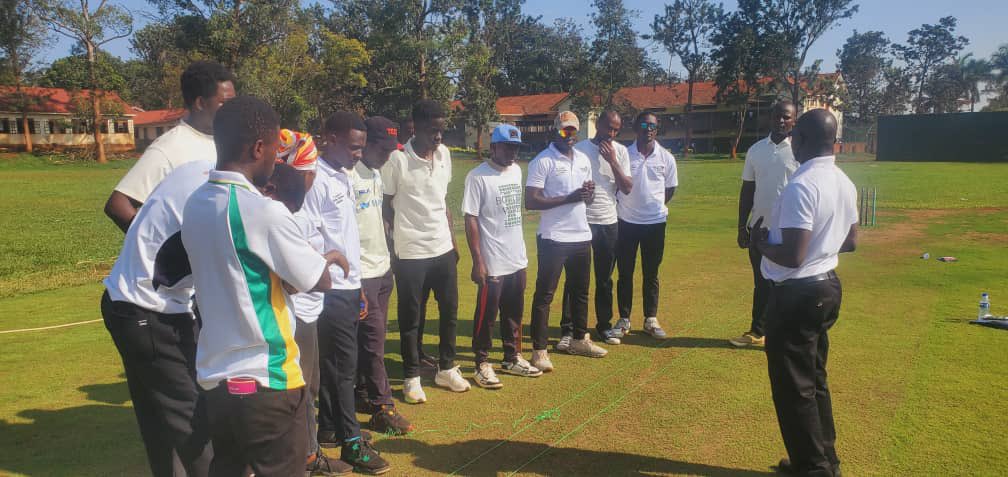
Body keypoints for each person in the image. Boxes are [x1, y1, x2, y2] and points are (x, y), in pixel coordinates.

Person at [181, 95, 332, 476]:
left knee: (229, 468)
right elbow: (317, 279)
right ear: (258, 148)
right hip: (269, 381)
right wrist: (330, 258)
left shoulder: (196, 202)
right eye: (273, 154)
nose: (275, 164)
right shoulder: (262, 210)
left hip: (217, 381)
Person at [751, 109, 857, 477]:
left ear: (806, 140)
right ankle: (824, 460)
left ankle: (813, 469)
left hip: (797, 293)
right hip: (826, 286)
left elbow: (793, 256)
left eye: (795, 135)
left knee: (793, 388)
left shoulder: (802, 184)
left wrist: (760, 244)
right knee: (814, 380)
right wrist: (823, 248)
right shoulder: (844, 181)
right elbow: (852, 241)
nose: (791, 140)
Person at [101, 159, 214, 477]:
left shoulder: (200, 169)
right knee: (193, 420)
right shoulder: (216, 196)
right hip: (148, 310)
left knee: (159, 419)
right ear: (256, 149)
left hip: (131, 302)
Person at [302, 112, 391, 474]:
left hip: (351, 286)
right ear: (330, 139)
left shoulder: (343, 177)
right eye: (353, 147)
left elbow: (346, 237)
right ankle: (352, 443)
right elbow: (310, 238)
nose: (358, 154)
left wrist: (359, 287)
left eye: (361, 148)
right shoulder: (315, 180)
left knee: (337, 365)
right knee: (343, 369)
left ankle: (330, 429)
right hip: (330, 291)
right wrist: (335, 279)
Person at [265, 130, 351, 476]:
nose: (313, 178)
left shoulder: (295, 206)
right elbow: (298, 278)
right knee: (299, 391)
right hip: (292, 313)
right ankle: (305, 459)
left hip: (309, 311)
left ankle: (310, 453)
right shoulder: (281, 213)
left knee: (309, 387)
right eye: (308, 171)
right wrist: (329, 259)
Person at [382, 99, 468, 403]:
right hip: (411, 252)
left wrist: (454, 243)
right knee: (411, 318)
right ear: (415, 127)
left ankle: (446, 368)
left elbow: (442, 201)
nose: (439, 137)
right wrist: (392, 248)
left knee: (450, 312)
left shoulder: (444, 154)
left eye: (442, 130)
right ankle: (411, 376)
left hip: (442, 248)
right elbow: (386, 207)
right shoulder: (397, 160)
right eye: (433, 131)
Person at [105, 61, 235, 232]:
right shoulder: (170, 147)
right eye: (224, 103)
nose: (233, 109)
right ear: (200, 103)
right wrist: (158, 248)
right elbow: (118, 205)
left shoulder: (226, 138)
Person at [525, 110, 607, 373]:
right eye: (564, 130)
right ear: (554, 130)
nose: (569, 135)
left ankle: (579, 339)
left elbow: (586, 197)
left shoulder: (583, 159)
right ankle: (539, 351)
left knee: (580, 291)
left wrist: (587, 195)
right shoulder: (543, 161)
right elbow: (531, 201)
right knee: (545, 295)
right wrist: (570, 197)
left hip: (581, 234)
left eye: (573, 130)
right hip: (554, 237)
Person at [463, 123, 543, 389]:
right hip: (493, 260)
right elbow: (471, 218)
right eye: (507, 147)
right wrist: (478, 260)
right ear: (493, 147)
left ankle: (512, 357)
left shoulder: (517, 171)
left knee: (514, 313)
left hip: (516, 257)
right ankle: (481, 363)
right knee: (487, 315)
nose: (512, 153)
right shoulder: (477, 176)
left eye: (516, 148)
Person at [352, 116, 414, 435]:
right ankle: (382, 407)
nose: (389, 155)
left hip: (382, 266)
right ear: (366, 143)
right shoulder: (348, 176)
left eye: (393, 149)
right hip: (361, 273)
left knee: (373, 340)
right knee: (374, 343)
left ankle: (362, 394)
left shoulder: (376, 173)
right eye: (383, 148)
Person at [558, 110, 632, 349]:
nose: (610, 134)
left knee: (604, 279)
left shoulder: (620, 151)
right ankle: (568, 329)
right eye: (607, 128)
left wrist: (612, 161)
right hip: (580, 221)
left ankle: (603, 325)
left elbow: (627, 187)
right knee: (575, 279)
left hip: (609, 221)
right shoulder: (579, 149)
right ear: (597, 124)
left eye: (615, 130)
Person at [730, 101, 798, 348]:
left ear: (794, 120)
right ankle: (758, 331)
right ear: (770, 118)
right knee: (761, 283)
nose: (781, 121)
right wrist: (741, 227)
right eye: (777, 116)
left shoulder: (800, 152)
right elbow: (747, 191)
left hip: (789, 231)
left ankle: (786, 335)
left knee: (787, 284)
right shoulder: (756, 150)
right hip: (759, 230)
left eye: (786, 117)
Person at [614, 112, 678, 339]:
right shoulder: (624, 154)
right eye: (643, 124)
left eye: (652, 126)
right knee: (625, 273)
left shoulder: (666, 157)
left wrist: (652, 207)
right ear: (635, 127)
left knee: (651, 273)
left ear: (657, 129)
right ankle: (623, 319)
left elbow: (669, 189)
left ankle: (650, 319)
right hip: (626, 222)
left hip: (655, 223)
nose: (648, 129)